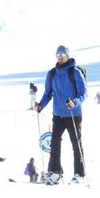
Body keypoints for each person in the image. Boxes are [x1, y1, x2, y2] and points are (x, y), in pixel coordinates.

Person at [35, 45, 87, 185]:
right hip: (58, 114)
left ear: (68, 55)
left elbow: (84, 93)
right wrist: (40, 105)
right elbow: (48, 94)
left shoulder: (75, 72)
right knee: (55, 143)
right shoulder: (51, 73)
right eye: (58, 54)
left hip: (73, 114)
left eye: (63, 54)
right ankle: (55, 173)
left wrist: (74, 103)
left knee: (76, 144)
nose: (60, 56)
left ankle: (79, 175)